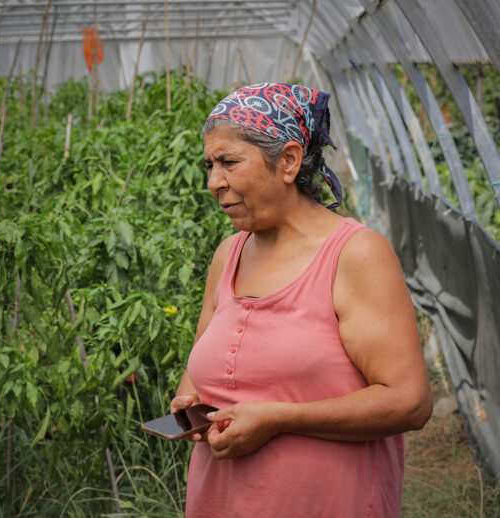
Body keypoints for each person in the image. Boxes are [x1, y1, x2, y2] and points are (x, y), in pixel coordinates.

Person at [170, 83, 433, 517]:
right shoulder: (228, 256)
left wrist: (277, 419)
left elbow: (410, 402)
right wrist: (192, 405)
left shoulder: (354, 255)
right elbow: (199, 377)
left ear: (289, 160)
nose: (214, 182)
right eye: (209, 165)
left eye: (229, 162)